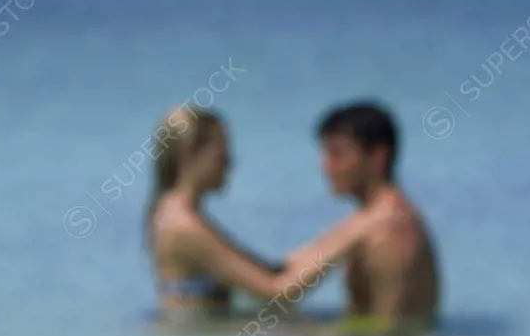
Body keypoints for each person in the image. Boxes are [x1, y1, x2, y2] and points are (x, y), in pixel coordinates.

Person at [146, 106, 401, 316]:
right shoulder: (183, 225)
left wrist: (349, 230)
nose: (230, 163)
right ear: (191, 155)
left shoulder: (174, 214)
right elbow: (276, 293)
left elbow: (269, 272)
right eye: (222, 154)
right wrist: (360, 229)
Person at [316, 102, 439, 323]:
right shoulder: (374, 221)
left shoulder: (388, 231)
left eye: (337, 155)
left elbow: (391, 334)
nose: (325, 167)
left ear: (378, 157)